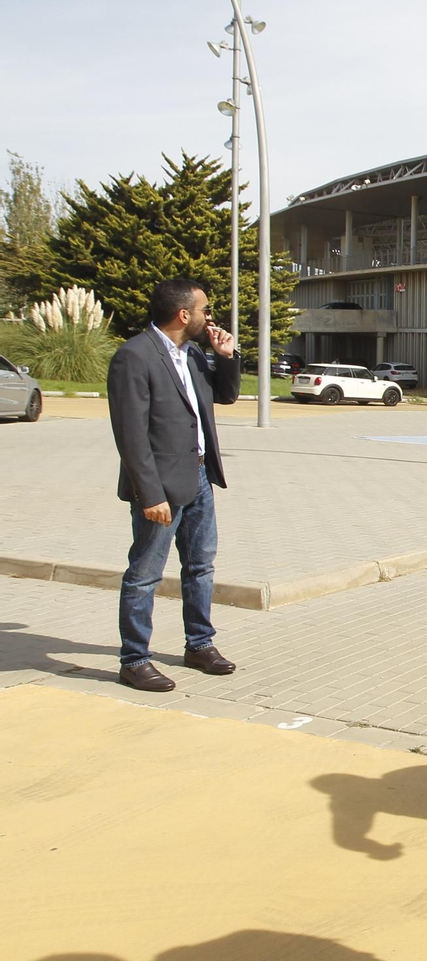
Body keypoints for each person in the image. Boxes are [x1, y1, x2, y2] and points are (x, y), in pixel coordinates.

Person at [107, 278, 241, 692]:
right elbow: (130, 435)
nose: (209, 316)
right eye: (204, 309)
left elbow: (227, 396)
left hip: (200, 476)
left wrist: (227, 356)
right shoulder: (134, 357)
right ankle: (134, 659)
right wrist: (150, 494)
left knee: (200, 566)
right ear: (184, 314)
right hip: (160, 485)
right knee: (145, 573)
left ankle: (199, 645)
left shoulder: (195, 354)